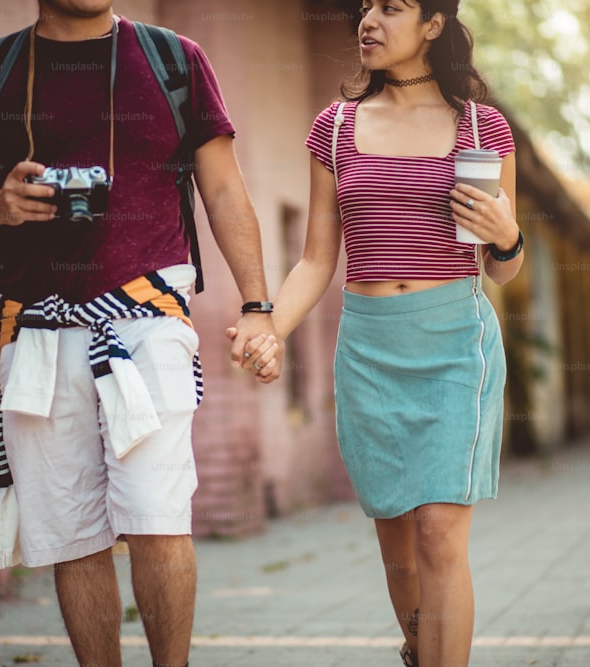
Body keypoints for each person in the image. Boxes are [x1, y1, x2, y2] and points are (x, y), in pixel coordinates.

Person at [0, 1, 281, 666]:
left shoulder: (175, 60)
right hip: (35, 327)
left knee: (157, 518)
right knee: (71, 533)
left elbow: (225, 192)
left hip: (147, 320)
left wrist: (258, 305)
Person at [234, 1, 523, 665]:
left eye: (391, 7)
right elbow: (315, 258)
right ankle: (423, 645)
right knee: (398, 554)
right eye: (365, 5)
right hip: (368, 350)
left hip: (455, 343)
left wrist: (509, 237)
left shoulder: (482, 128)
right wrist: (267, 325)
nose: (369, 17)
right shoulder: (334, 129)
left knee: (438, 533)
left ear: (432, 26)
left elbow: (502, 268)